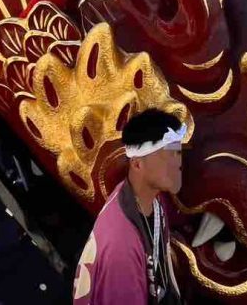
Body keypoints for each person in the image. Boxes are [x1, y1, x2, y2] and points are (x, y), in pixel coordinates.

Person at [73, 108, 186, 304]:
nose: (177, 163)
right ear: (137, 164)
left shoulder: (151, 198)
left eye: (177, 153)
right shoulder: (122, 249)